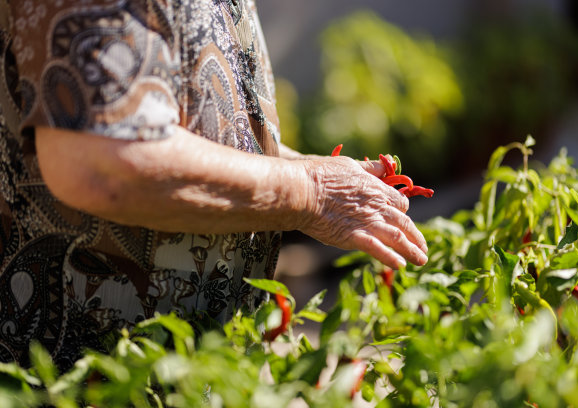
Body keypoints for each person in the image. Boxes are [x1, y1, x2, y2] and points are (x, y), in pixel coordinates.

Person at [0, 0, 427, 369]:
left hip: (198, 364)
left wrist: (309, 170)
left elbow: (188, 122)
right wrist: (309, 190)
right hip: (94, 374)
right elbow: (103, 164)